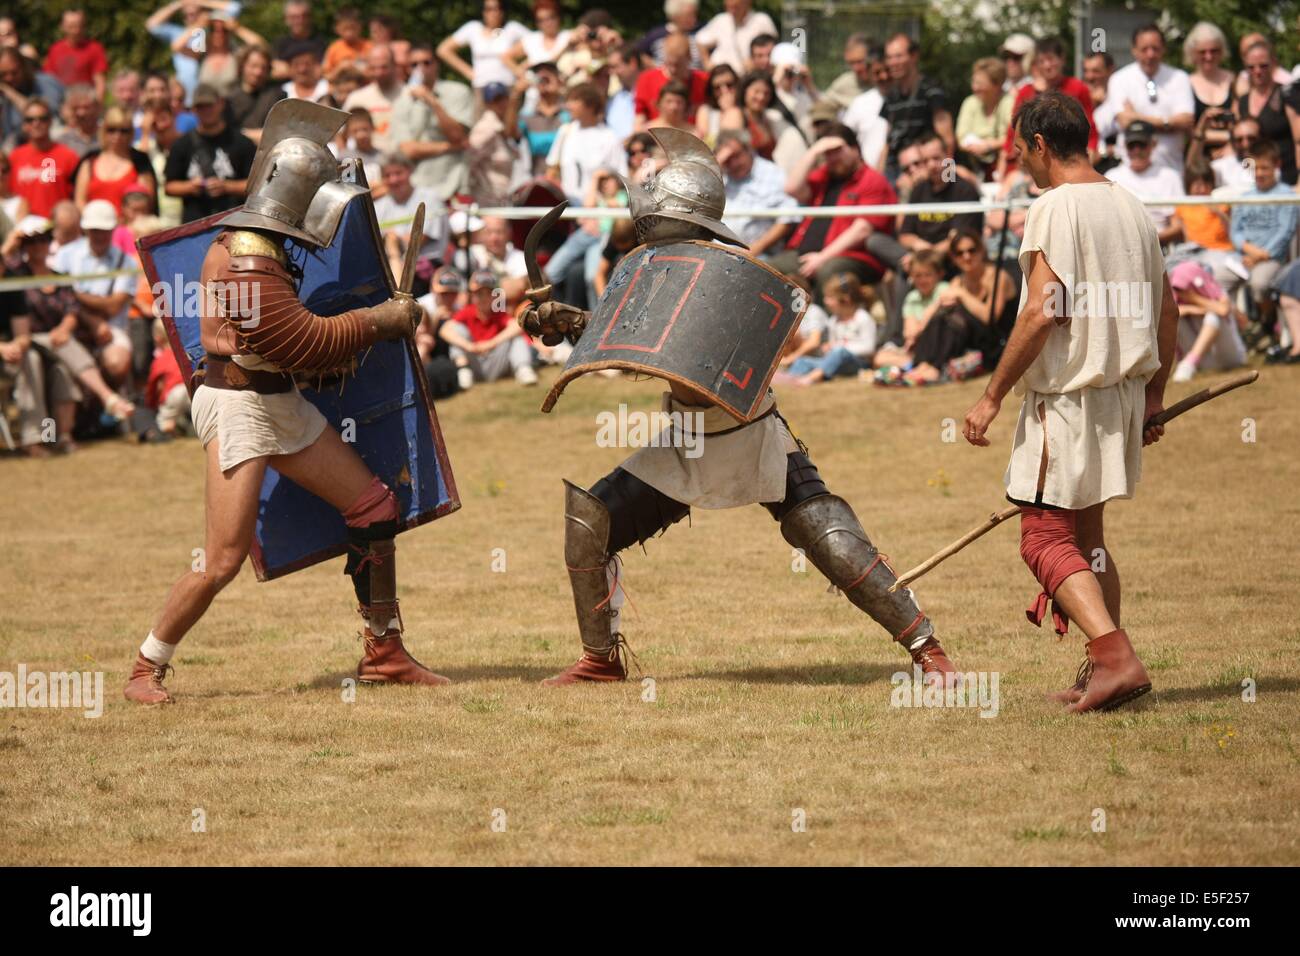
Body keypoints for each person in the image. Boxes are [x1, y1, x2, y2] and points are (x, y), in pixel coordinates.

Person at [519, 126, 957, 686]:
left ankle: (928, 649)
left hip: (750, 434)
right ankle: (599, 660)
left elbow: (703, 349)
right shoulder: (653, 265)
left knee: (830, 538)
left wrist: (581, 326)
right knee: (589, 523)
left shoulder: (724, 273)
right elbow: (642, 341)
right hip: (686, 439)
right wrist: (571, 321)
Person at [124, 101, 444, 704]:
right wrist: (380, 320)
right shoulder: (246, 256)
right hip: (239, 405)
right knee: (220, 560)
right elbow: (298, 341)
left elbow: (290, 346)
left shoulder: (263, 246)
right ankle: (147, 665)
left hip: (277, 399)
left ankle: (384, 650)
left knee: (374, 507)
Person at [962, 91, 1178, 714]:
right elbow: (1167, 307)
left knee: (1043, 538)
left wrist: (992, 394)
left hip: (1069, 400)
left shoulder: (1053, 207)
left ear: (1039, 145)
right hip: (1121, 396)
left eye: (1021, 152)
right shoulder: (1131, 205)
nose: (1023, 164)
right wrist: (1155, 393)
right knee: (1089, 538)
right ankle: (1100, 672)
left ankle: (1115, 657)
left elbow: (1042, 308)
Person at [769, 124, 897, 292]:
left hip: (853, 257)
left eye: (837, 150)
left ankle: (823, 319)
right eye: (827, 153)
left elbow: (862, 230)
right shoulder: (825, 175)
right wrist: (814, 151)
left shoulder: (873, 180)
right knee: (768, 270)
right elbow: (792, 188)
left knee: (829, 272)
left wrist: (822, 258)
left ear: (855, 148)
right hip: (804, 253)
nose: (833, 157)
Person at [53, 199, 137, 388]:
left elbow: (113, 306)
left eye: (104, 230)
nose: (99, 236)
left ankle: (109, 408)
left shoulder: (126, 261)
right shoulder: (66, 254)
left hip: (111, 328)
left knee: (117, 362)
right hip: (70, 324)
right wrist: (93, 321)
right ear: (85, 230)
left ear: (113, 230)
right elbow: (55, 297)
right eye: (95, 230)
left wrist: (75, 294)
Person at [1093, 23, 1194, 175]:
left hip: (1172, 168)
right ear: (1134, 50)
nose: (1150, 54)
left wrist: (1137, 117)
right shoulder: (1120, 79)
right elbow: (1124, 121)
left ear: (1163, 49)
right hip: (1131, 171)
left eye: (1155, 48)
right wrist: (1168, 123)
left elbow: (1186, 121)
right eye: (1144, 49)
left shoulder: (1180, 78)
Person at [1225, 139, 1297, 340]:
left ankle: (1266, 321)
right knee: (1214, 278)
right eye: (1255, 168)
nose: (1259, 173)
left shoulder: (1287, 195)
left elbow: (1285, 232)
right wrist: (1249, 250)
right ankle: (1242, 328)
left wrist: (1259, 256)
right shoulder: (1245, 196)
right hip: (1243, 256)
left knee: (1259, 284)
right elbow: (1235, 232)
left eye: (1265, 168)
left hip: (1271, 258)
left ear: (1277, 166)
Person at [997, 36, 1098, 179]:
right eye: (1041, 61)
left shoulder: (1077, 88)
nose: (1047, 65)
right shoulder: (1026, 92)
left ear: (1062, 59)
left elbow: (1091, 133)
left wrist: (1087, 165)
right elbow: (1012, 135)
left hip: (1069, 164)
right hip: (1028, 167)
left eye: (1051, 59)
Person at [390, 46, 473, 202]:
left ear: (436, 65)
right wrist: (450, 147)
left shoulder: (458, 92)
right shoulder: (402, 101)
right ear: (407, 69)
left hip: (454, 186)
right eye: (414, 64)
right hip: (417, 188)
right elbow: (407, 150)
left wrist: (433, 102)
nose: (421, 68)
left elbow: (457, 136)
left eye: (426, 62)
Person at [163, 84, 256, 222]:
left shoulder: (242, 143)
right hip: (194, 225)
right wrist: (191, 187)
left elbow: (256, 186)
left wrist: (226, 187)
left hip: (233, 223)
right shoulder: (182, 144)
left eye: (210, 105)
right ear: (193, 109)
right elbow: (169, 187)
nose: (206, 111)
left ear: (221, 104)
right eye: (201, 107)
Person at [442, 269, 537, 387]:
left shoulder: (498, 313)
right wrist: (469, 346)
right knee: (458, 332)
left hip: (496, 360)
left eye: (488, 293)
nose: (484, 298)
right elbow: (445, 330)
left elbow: (517, 326)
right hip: (474, 361)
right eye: (479, 294)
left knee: (517, 338)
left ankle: (524, 369)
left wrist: (491, 343)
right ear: (472, 296)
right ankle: (464, 372)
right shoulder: (467, 311)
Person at [899, 133, 984, 262]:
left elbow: (959, 239)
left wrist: (926, 256)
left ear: (948, 156)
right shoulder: (918, 190)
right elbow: (905, 235)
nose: (932, 165)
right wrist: (918, 246)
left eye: (936, 158)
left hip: (955, 261)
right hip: (922, 259)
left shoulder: (964, 190)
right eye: (925, 161)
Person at [781, 273, 878, 385]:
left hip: (858, 363)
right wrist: (829, 347)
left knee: (839, 352)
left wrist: (840, 347)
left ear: (846, 299)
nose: (825, 301)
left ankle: (812, 378)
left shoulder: (863, 318)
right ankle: (790, 379)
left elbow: (869, 348)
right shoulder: (833, 321)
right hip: (835, 361)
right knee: (803, 360)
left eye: (830, 297)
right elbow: (833, 345)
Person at [715, 128, 798, 257]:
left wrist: (757, 248)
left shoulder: (773, 174)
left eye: (737, 156)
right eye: (728, 160)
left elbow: (789, 217)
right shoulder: (719, 177)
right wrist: (717, 165)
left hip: (759, 255)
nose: (734, 164)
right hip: (716, 253)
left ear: (749, 150)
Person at [881, 33, 953, 180]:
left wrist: (947, 179)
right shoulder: (891, 96)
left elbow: (947, 140)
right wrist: (878, 178)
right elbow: (888, 143)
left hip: (925, 172)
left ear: (914, 56)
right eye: (889, 57)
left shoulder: (932, 91)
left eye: (898, 56)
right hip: (894, 170)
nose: (893, 62)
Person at [373, 152, 449, 291]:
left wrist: (391, 239)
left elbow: (417, 241)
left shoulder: (430, 199)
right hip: (388, 270)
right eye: (387, 176)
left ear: (409, 171)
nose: (393, 180)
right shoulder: (378, 207)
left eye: (398, 173)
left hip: (426, 272)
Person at [1104, 120, 1184, 245]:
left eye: (1142, 145)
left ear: (1153, 144)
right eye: (1132, 146)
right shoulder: (1111, 177)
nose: (1136, 150)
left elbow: (1178, 225)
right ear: (1125, 146)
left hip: (1160, 246)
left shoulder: (1170, 177)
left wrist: (1149, 241)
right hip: (1122, 245)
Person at [1233, 38, 1300, 186]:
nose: (1257, 71)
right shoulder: (1242, 101)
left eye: (1263, 66)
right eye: (1251, 67)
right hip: (1253, 180)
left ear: (1274, 63)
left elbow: (1299, 141)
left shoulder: (1287, 94)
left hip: (1287, 178)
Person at [1167, 259, 1246, 381]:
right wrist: (1192, 309)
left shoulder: (1218, 291)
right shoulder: (1173, 297)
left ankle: (1189, 362)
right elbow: (1167, 313)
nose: (1179, 290)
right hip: (1205, 361)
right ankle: (1188, 363)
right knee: (1174, 317)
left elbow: (1223, 310)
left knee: (1213, 316)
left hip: (1229, 357)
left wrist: (1192, 298)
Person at [74, 106, 157, 214]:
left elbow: (147, 202)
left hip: (130, 229)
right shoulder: (90, 160)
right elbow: (79, 201)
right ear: (103, 130)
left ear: (130, 132)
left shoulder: (140, 161)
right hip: (93, 227)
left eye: (124, 130)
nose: (117, 135)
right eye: (112, 129)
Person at [439, 1, 530, 97]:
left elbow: (538, 44)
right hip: (481, 86)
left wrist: (521, 70)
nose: (494, 13)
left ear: (503, 11)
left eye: (498, 8)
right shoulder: (473, 28)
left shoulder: (512, 28)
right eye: (489, 9)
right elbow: (443, 50)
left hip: (508, 86)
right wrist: (469, 72)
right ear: (483, 11)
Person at [7, 99, 79, 216]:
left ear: (50, 121)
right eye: (30, 120)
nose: (36, 123)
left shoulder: (68, 156)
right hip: (23, 226)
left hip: (55, 227)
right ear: (24, 125)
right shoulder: (15, 157)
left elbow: (76, 197)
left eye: (42, 118)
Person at [466, 80, 526, 207]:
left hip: (507, 199)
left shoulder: (507, 126)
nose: (501, 103)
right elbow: (468, 161)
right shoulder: (485, 128)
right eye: (495, 100)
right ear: (487, 103)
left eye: (503, 98)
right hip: (487, 201)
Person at [341, 44, 405, 153]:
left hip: (403, 163)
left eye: (384, 67)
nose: (379, 72)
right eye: (373, 68)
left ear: (394, 66)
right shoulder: (356, 98)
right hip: (367, 164)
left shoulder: (410, 94)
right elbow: (341, 135)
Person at [635, 33, 708, 127]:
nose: (673, 70)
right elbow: (639, 117)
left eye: (678, 65)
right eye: (669, 64)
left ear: (689, 58)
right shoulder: (647, 79)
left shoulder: (703, 80)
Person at [956, 57, 1011, 179]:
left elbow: (1012, 136)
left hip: (1004, 165)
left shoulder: (1009, 101)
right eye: (974, 82)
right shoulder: (970, 102)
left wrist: (989, 145)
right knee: (949, 171)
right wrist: (975, 146)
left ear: (997, 85)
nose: (975, 88)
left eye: (980, 84)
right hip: (972, 164)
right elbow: (961, 136)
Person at [415, 266, 466, 397]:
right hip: (426, 351)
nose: (449, 298)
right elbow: (418, 338)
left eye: (452, 293)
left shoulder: (459, 308)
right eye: (444, 294)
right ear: (435, 292)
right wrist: (435, 319)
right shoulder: (421, 305)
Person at [43, 9, 107, 101]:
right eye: (71, 26)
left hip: (86, 102)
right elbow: (49, 81)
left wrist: (98, 105)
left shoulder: (94, 49)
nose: (76, 31)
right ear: (62, 27)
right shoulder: (55, 50)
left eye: (79, 26)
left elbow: (100, 82)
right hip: (62, 101)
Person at [695, 0, 776, 73]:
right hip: (721, 78)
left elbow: (772, 49)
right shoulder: (721, 20)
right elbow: (700, 40)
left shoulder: (761, 20)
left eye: (735, 6)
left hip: (748, 78)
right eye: (729, 6)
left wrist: (755, 62)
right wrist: (707, 63)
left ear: (747, 2)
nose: (732, 10)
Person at [226, 45, 285, 143]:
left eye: (263, 67)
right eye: (253, 66)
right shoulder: (228, 97)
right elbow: (224, 133)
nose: (258, 72)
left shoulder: (277, 96)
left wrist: (241, 134)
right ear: (242, 66)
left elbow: (277, 135)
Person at [270, 0, 327, 80]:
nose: (299, 21)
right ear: (286, 20)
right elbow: (275, 72)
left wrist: (290, 71)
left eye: (303, 16)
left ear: (310, 18)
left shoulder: (320, 42)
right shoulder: (280, 43)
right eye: (294, 17)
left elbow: (323, 71)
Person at [695, 63, 739, 144]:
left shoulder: (745, 109)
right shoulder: (706, 111)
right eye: (717, 87)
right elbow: (704, 145)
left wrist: (731, 110)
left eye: (729, 85)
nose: (724, 91)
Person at [322, 7, 371, 77]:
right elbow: (326, 76)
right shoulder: (333, 48)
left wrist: (356, 69)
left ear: (360, 26)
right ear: (337, 29)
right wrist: (340, 68)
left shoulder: (370, 47)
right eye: (345, 29)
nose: (349, 33)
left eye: (353, 28)